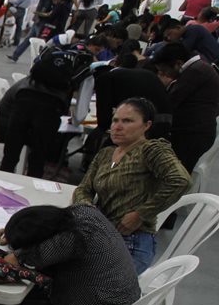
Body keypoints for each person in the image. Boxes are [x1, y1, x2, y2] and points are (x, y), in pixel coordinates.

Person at [0, 204, 141, 305]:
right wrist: (12, 232)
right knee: (29, 293)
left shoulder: (73, 239)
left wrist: (17, 246)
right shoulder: (84, 212)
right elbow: (43, 234)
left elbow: (12, 261)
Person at [71, 98, 190, 272]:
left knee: (78, 279)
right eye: (115, 120)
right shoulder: (106, 154)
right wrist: (88, 210)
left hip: (131, 242)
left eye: (127, 121)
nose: (117, 127)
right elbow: (83, 188)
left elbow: (180, 180)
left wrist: (141, 214)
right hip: (100, 233)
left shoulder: (151, 150)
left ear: (147, 125)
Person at [151, 43, 219, 173]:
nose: (165, 74)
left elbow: (171, 101)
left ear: (178, 63)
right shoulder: (198, 68)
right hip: (193, 132)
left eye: (165, 70)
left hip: (193, 135)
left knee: (177, 174)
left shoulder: (196, 71)